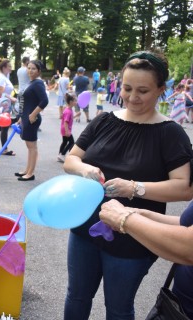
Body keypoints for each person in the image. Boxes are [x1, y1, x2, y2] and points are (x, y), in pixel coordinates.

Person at [63, 50, 193, 320]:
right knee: (77, 295)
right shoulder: (104, 121)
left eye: (143, 90)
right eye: (127, 88)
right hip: (85, 225)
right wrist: (86, 169)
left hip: (134, 236)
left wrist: (134, 188)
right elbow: (72, 159)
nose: (133, 97)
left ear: (160, 90)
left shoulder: (170, 133)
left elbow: (184, 187)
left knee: (119, 308)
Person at [99, 199, 193, 319]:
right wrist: (142, 215)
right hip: (180, 305)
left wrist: (124, 219)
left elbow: (188, 247)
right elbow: (185, 223)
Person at [15, 60, 48, 181]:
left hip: (32, 120)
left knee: (32, 147)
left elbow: (44, 101)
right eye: (28, 68)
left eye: (33, 68)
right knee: (30, 147)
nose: (30, 70)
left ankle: (30, 173)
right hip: (26, 118)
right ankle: (27, 170)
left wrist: (33, 115)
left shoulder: (38, 83)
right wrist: (21, 118)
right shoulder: (31, 83)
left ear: (39, 71)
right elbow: (27, 102)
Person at [0, 59, 17, 156]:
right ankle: (4, 149)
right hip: (1, 104)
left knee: (3, 125)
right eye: (9, 66)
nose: (11, 68)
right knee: (4, 125)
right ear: (4, 67)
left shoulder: (4, 76)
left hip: (4, 103)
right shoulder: (1, 78)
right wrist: (11, 98)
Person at [57, 92, 76, 163]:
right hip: (66, 129)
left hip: (64, 129)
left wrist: (76, 115)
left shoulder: (67, 109)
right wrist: (67, 131)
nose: (76, 102)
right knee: (72, 142)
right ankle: (62, 154)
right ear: (71, 102)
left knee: (64, 142)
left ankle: (60, 154)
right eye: (75, 101)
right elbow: (66, 122)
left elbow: (67, 118)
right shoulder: (68, 111)